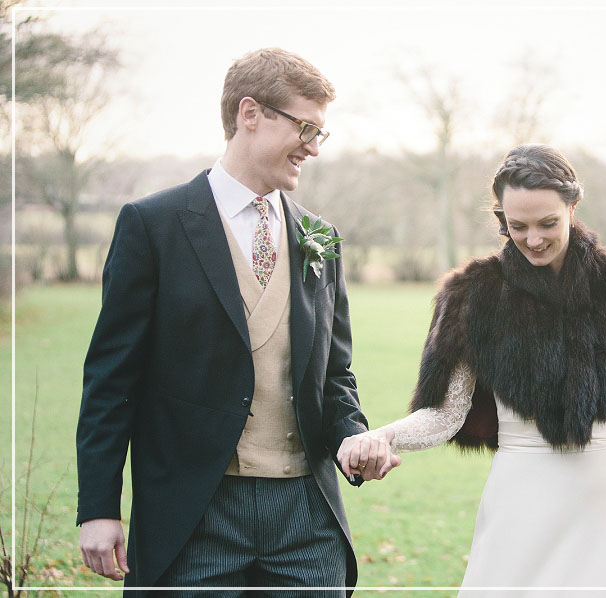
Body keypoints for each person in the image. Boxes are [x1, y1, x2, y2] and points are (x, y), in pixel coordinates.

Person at [76, 48, 399, 596]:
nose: (314, 147)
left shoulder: (321, 238)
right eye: (305, 127)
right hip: (194, 512)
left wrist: (354, 437)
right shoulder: (151, 227)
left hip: (307, 514)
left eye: (322, 133)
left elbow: (335, 375)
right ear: (250, 114)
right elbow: (112, 381)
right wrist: (99, 507)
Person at [337, 144, 606, 596]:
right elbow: (445, 413)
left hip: (601, 498)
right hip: (520, 494)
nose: (533, 239)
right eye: (518, 226)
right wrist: (383, 437)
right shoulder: (475, 295)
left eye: (548, 223)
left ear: (573, 206)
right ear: (501, 220)